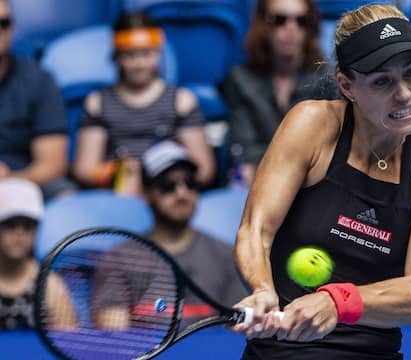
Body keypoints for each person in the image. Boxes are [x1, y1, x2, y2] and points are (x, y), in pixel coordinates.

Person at [231, 4, 411, 358]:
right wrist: (262, 288)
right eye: (382, 81)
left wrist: (338, 302)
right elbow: (256, 229)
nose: (405, 93)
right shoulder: (311, 126)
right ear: (347, 86)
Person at [92, 140, 247, 330]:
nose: (182, 193)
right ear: (147, 193)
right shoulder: (119, 259)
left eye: (189, 183)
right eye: (168, 185)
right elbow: (113, 336)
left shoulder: (225, 256)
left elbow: (237, 333)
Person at [72, 12, 215, 196]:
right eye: (130, 55)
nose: (139, 63)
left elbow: (204, 169)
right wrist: (114, 173)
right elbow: (84, 169)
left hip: (169, 194)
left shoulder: (181, 101)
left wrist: (165, 179)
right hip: (117, 192)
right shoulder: (97, 103)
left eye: (147, 54)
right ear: (117, 57)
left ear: (159, 53)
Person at [220, 0, 340, 185]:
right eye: (279, 20)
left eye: (301, 20)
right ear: (263, 26)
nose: (290, 28)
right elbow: (243, 150)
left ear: (310, 27)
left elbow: (331, 148)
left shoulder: (328, 79)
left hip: (314, 185)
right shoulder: (240, 79)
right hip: (257, 184)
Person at [0, 0, 69, 200]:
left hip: (24, 181)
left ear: (13, 27)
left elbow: (52, 164)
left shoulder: (39, 80)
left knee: (64, 192)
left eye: (3, 23)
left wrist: (9, 180)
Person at [0, 178, 77, 330]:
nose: (19, 233)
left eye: (28, 226)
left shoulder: (51, 285)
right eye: (10, 225)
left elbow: (66, 341)